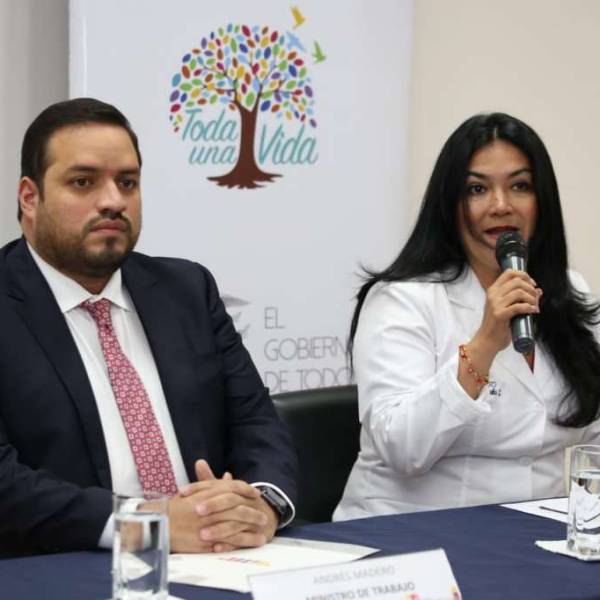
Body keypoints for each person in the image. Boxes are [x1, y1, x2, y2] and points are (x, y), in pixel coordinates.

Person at [0, 98, 297, 556]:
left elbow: (255, 421)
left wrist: (261, 504)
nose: (113, 201)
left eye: (127, 182)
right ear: (29, 197)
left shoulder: (187, 289)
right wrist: (146, 523)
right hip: (66, 567)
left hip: (218, 559)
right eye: (83, 182)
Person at [334, 112, 600, 520]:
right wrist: (485, 343)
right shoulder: (402, 298)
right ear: (450, 204)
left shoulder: (569, 290)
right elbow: (403, 450)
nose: (501, 205)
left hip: (536, 531)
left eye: (520, 186)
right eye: (477, 189)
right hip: (412, 533)